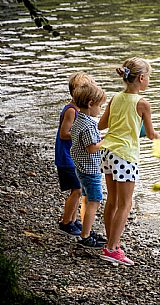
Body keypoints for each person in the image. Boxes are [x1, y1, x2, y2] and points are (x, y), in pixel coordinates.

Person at [98, 57, 160, 265]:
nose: (149, 81)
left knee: (112, 201)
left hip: (108, 153)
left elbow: (102, 125)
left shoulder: (115, 98)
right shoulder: (143, 103)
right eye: (149, 78)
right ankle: (112, 249)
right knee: (126, 204)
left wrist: (129, 126)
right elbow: (152, 135)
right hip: (125, 156)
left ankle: (111, 243)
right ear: (142, 78)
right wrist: (159, 136)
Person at [55, 72, 95, 236]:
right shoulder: (71, 111)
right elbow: (64, 133)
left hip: (73, 157)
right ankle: (66, 222)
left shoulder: (80, 110)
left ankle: (72, 219)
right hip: (67, 158)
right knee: (77, 190)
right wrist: (80, 133)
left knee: (78, 189)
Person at [70, 82, 107, 248]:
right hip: (91, 170)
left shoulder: (78, 119)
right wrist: (107, 141)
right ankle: (85, 236)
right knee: (95, 200)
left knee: (86, 199)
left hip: (81, 168)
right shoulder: (89, 124)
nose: (100, 110)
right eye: (100, 106)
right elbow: (92, 148)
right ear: (91, 104)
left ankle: (86, 229)